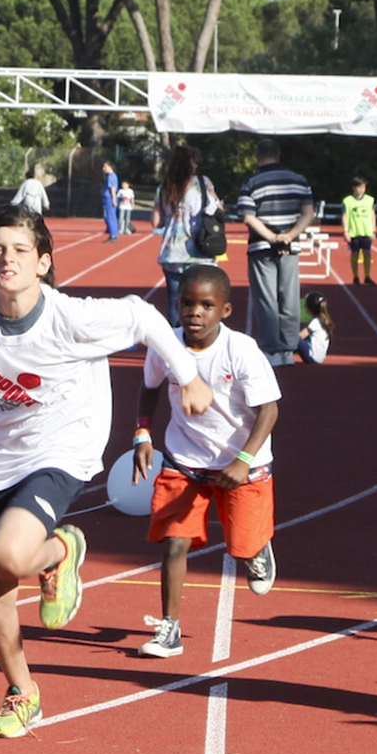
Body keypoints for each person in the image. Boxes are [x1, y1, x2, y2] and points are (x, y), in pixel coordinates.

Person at [0, 204, 214, 738]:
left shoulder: (68, 316)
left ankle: (64, 548)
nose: (6, 259)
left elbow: (140, 315)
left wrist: (188, 376)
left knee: (7, 554)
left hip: (63, 447)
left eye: (19, 250)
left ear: (42, 263)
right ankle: (23, 693)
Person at [131, 265, 281, 658]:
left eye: (206, 305)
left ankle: (257, 548)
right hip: (185, 460)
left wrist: (244, 460)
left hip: (241, 462)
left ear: (225, 311)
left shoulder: (241, 350)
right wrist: (143, 433)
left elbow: (269, 410)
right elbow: (149, 389)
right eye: (187, 303)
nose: (194, 312)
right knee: (174, 544)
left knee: (242, 548)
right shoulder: (167, 345)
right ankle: (170, 628)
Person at [238, 137, 316, 368]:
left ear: (258, 158)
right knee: (290, 298)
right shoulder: (298, 180)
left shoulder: (251, 182)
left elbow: (248, 215)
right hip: (290, 246)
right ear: (279, 155)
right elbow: (308, 213)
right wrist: (289, 236)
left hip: (261, 247)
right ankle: (289, 348)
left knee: (266, 300)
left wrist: (271, 237)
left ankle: (272, 350)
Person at [152, 145, 222, 319]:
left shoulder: (164, 187)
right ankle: (201, 339)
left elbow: (155, 222)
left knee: (176, 302)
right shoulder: (203, 183)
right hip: (200, 250)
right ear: (189, 163)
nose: (196, 165)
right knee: (204, 300)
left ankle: (175, 341)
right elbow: (217, 208)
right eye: (194, 161)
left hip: (172, 253)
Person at [342, 175, 377, 285]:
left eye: (363, 187)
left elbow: (372, 215)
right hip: (354, 232)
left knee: (367, 253)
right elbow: (345, 216)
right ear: (354, 188)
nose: (362, 190)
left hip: (366, 232)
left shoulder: (370, 200)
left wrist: (374, 231)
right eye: (359, 187)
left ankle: (367, 276)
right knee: (354, 254)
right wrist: (345, 231)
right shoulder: (347, 201)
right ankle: (355, 276)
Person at [295, 292, 333, 364]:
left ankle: (282, 355)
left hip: (312, 357)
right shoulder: (322, 320)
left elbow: (301, 336)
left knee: (295, 338)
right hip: (319, 357)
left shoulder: (316, 322)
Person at [101, 160, 122, 242]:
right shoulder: (112, 176)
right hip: (108, 198)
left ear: (110, 167)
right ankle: (114, 232)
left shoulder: (111, 176)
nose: (103, 169)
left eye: (105, 167)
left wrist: (113, 199)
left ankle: (113, 235)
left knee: (110, 216)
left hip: (109, 198)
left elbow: (112, 189)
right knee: (109, 216)